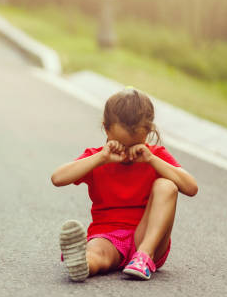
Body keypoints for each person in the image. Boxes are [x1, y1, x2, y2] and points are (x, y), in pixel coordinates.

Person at [51, 88, 198, 281]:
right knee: (97, 254)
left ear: (148, 132)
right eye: (120, 143)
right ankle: (82, 263)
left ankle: (143, 258)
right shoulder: (98, 157)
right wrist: (101, 158)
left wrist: (152, 160)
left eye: (135, 144)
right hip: (108, 236)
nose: (128, 152)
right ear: (106, 129)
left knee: (166, 185)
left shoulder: (154, 156)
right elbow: (58, 178)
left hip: (148, 239)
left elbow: (191, 187)